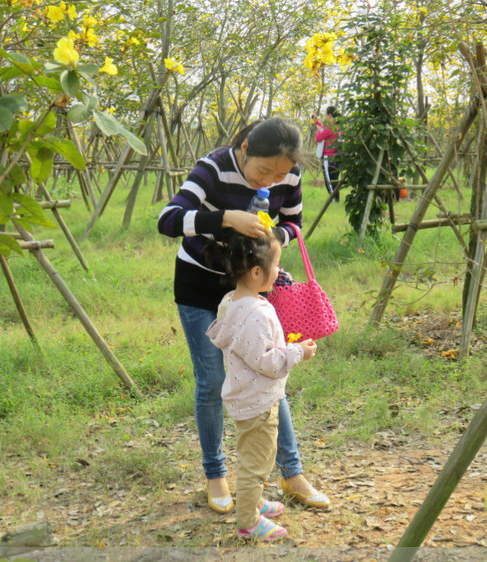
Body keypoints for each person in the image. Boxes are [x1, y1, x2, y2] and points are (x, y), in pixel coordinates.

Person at [157, 117, 331, 516]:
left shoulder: (290, 175)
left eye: (281, 173)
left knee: (269, 375)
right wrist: (226, 219)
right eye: (263, 170)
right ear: (247, 148)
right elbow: (168, 219)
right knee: (212, 380)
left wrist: (273, 237)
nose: (269, 180)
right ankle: (216, 475)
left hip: (254, 291)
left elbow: (293, 223)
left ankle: (292, 473)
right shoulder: (213, 168)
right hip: (201, 288)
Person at [206, 229, 317, 540]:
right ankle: (249, 522)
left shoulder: (234, 301)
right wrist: (299, 352)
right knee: (257, 463)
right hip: (257, 401)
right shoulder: (254, 314)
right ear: (256, 272)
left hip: (245, 397)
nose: (279, 270)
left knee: (252, 454)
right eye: (276, 264)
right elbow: (266, 361)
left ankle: (251, 499)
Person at [312, 106, 342, 201]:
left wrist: (318, 130)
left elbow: (319, 137)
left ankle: (333, 201)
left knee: (329, 181)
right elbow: (325, 132)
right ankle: (336, 200)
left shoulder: (330, 126)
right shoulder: (336, 126)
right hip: (336, 157)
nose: (325, 117)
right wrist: (317, 122)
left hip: (328, 158)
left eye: (326, 115)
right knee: (334, 180)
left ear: (329, 115)